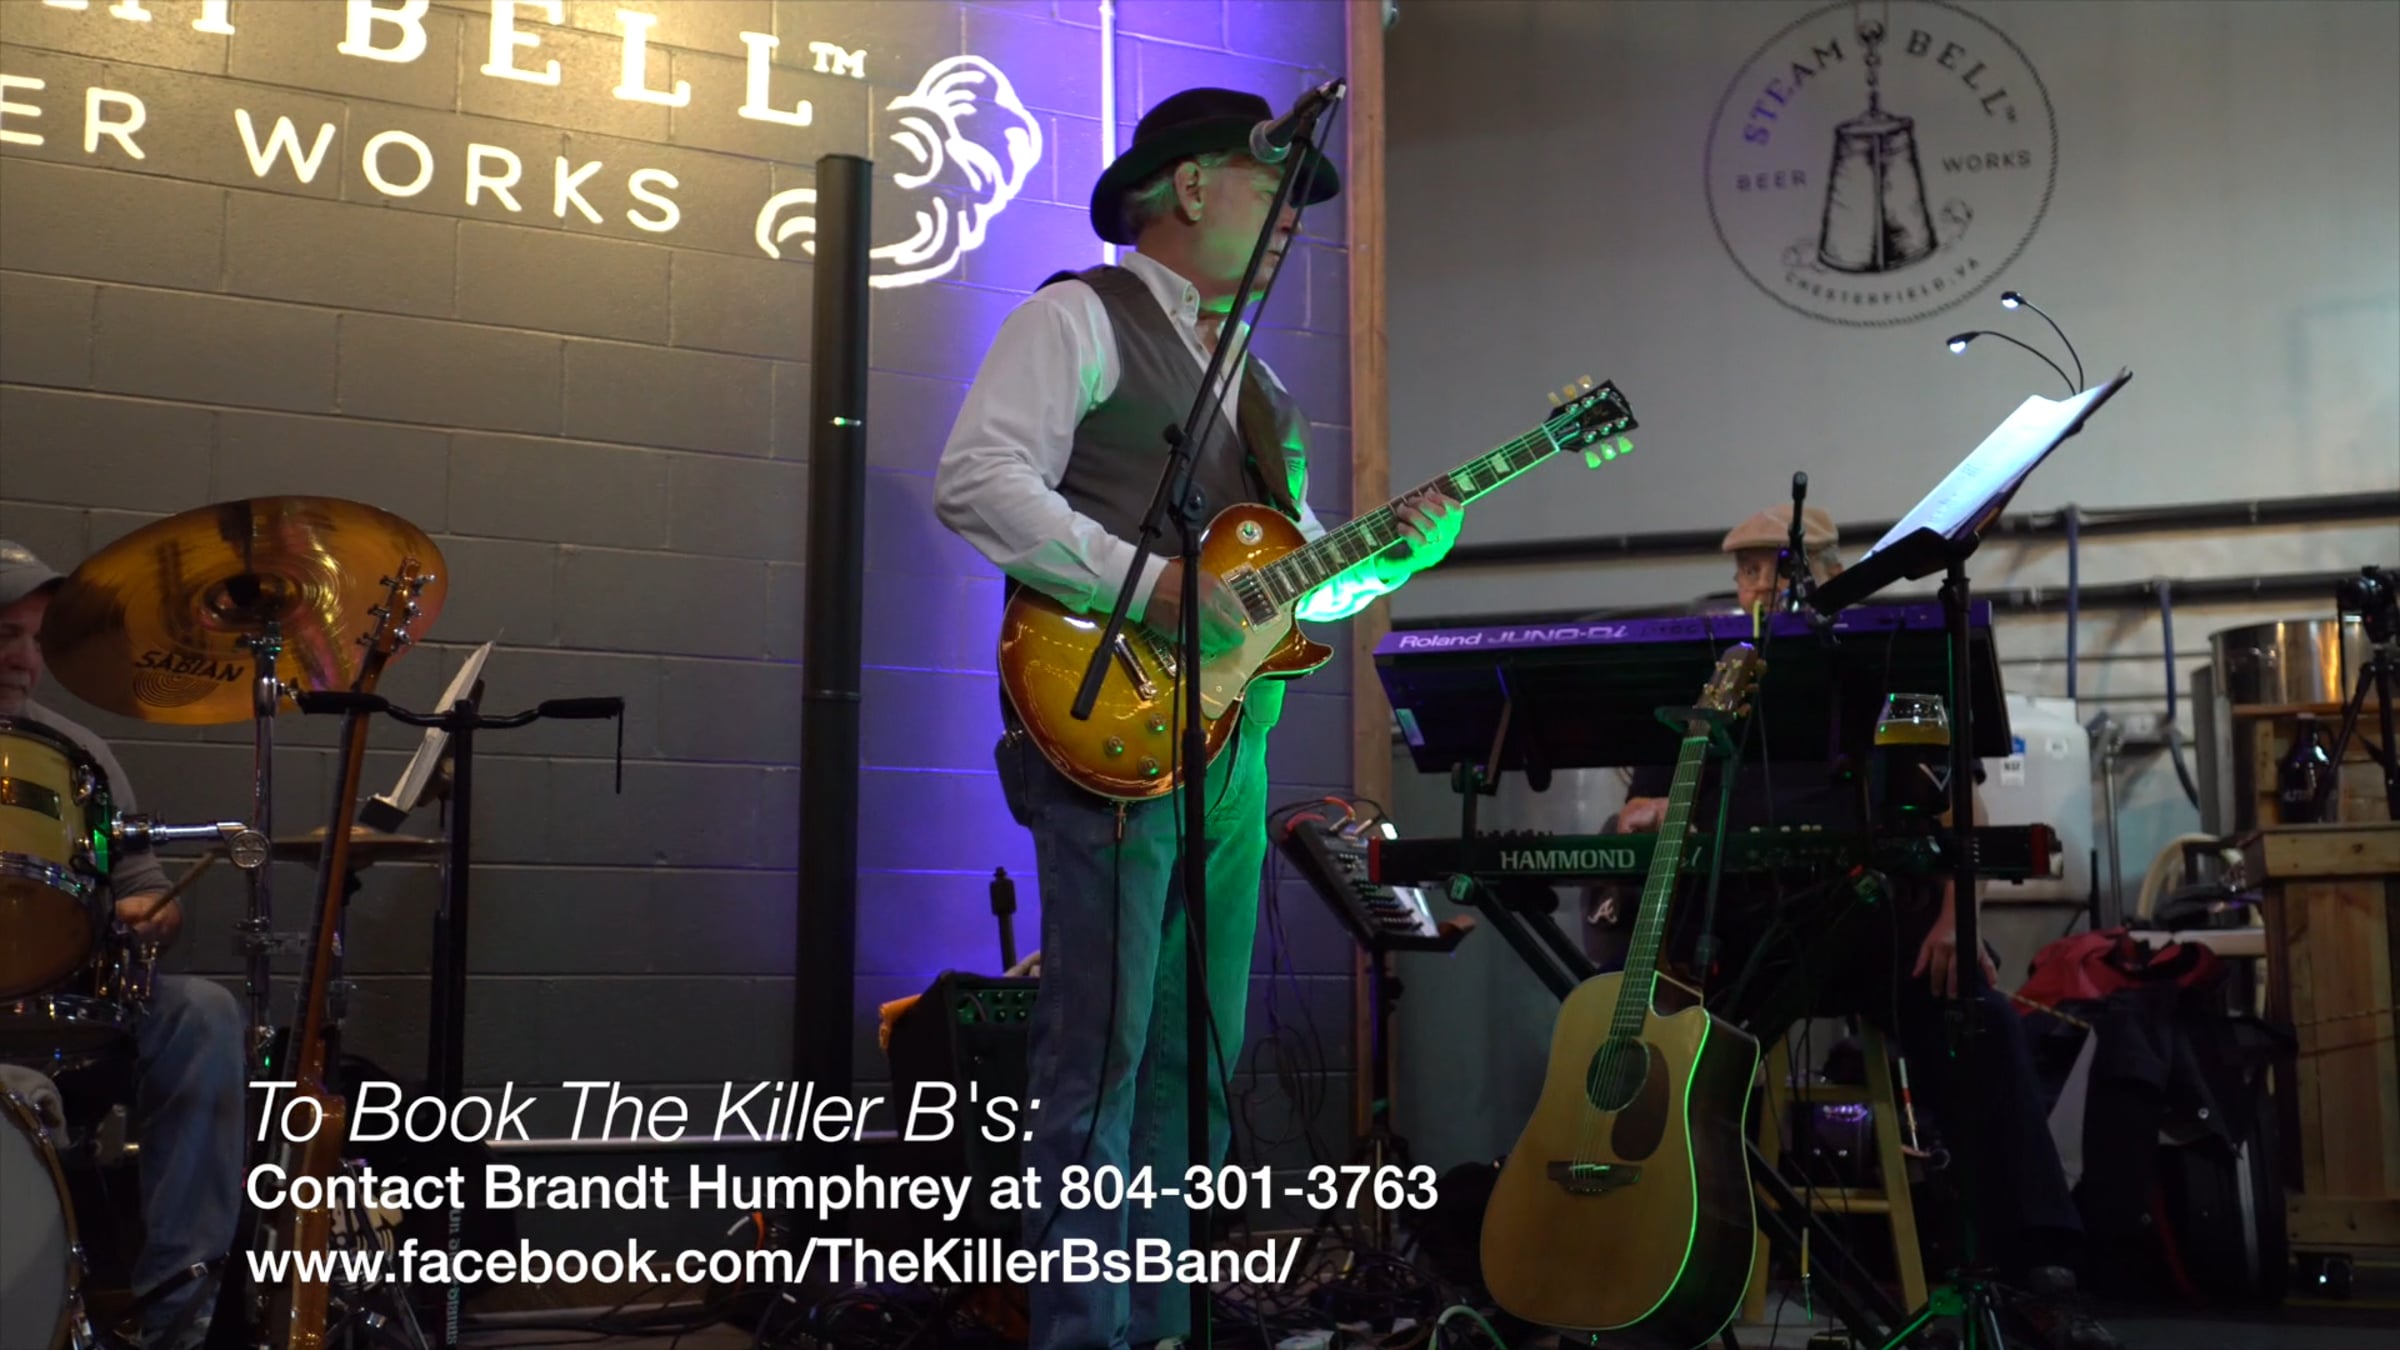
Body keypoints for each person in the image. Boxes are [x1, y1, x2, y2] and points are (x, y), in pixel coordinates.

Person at [934, 88, 1462, 1350]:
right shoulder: (1078, 318)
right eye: (1270, 189)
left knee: (1195, 1058)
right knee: (1102, 1055)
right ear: (1188, 185)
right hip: (1107, 728)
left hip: (1232, 743)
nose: (1290, 223)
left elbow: (1284, 591)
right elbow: (978, 479)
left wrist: (1390, 557)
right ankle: (1084, 1332)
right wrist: (1153, 581)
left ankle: (1164, 1323)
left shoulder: (1266, 391)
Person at [1588, 505, 2118, 1350]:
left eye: (1774, 567)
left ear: (1826, 574)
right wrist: (1642, 818)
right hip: (1743, 936)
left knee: (1976, 1020)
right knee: (1653, 1040)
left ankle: (2039, 1275)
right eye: (1746, 571)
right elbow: (1642, 807)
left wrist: (1956, 920)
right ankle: (1657, 1259)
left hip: (1875, 926)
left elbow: (1959, 809)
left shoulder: (1880, 666)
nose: (1757, 586)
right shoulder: (1711, 675)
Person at [1, 541, 245, 1350]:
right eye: (4, 635)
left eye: (37, 639)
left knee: (203, 1013)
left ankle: (177, 1316)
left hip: (67, 1003)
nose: (24, 659)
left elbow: (139, 876)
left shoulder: (78, 756)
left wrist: (149, 910)